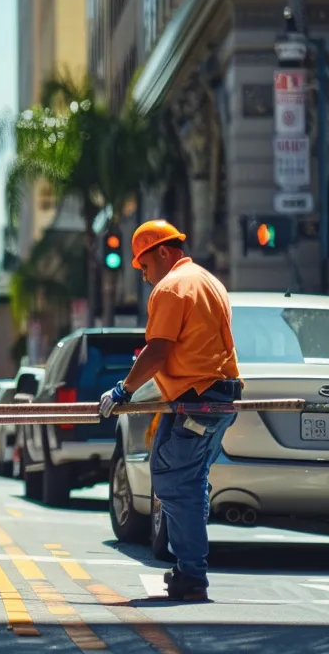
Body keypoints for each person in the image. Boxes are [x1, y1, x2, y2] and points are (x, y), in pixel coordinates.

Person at [97, 220, 242, 602]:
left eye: (144, 266)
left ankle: (192, 575)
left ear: (162, 252)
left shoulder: (172, 287)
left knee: (178, 482)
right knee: (175, 476)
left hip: (199, 398)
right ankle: (187, 567)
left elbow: (157, 350)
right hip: (209, 397)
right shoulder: (208, 281)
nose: (144, 277)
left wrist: (123, 389)